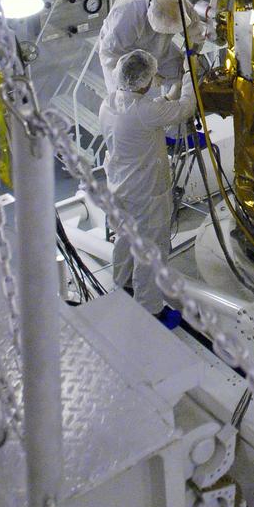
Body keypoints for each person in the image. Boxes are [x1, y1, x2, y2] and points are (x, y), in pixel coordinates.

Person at [99, 48, 197, 316]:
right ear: (145, 80)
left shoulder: (109, 102)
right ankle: (150, 309)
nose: (155, 78)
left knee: (125, 240)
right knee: (152, 250)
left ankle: (122, 285)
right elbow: (185, 108)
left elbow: (155, 111)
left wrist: (168, 96)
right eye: (153, 75)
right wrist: (189, 74)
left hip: (119, 186)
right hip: (146, 194)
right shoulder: (145, 111)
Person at [98, 0, 203, 95]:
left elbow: (195, 32)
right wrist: (147, 77)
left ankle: (172, 107)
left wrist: (192, 55)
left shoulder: (178, 2)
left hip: (159, 45)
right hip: (125, 54)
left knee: (182, 74)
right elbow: (110, 56)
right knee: (125, 98)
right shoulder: (125, 17)